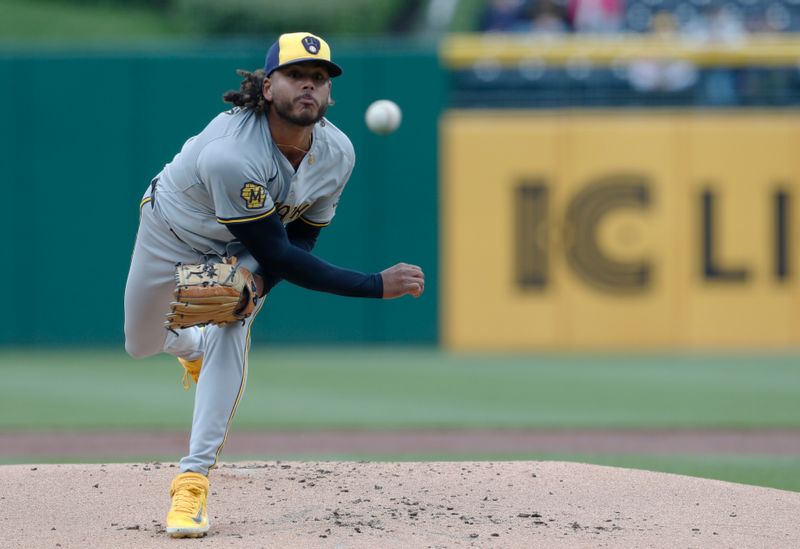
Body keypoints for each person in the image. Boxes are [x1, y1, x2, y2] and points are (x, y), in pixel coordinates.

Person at [123, 31, 425, 538]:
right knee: (140, 344)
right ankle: (189, 346)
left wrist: (254, 290)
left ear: (330, 95)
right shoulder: (231, 153)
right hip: (171, 232)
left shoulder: (338, 153)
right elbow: (280, 253)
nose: (309, 86)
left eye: (319, 78)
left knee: (234, 325)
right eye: (295, 76)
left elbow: (300, 239)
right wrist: (373, 284)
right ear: (267, 87)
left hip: (243, 246)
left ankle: (192, 479)